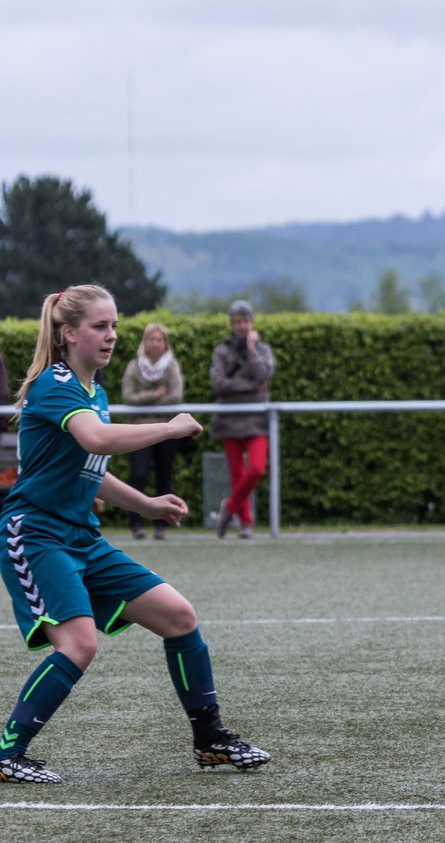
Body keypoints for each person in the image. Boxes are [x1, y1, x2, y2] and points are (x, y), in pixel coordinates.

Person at [0, 285, 269, 784]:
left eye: (115, 326)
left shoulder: (93, 392)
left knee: (179, 617)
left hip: (80, 536)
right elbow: (98, 440)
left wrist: (145, 504)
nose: (111, 336)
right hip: (34, 535)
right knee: (79, 644)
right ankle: (6, 751)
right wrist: (168, 427)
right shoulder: (53, 384)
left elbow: (90, 466)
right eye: (100, 327)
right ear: (68, 333)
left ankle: (209, 739)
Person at [209, 300, 274, 539]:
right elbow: (218, 384)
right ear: (231, 324)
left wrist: (251, 349)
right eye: (237, 321)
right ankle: (246, 523)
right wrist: (250, 387)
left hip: (256, 419)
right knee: (236, 473)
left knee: (256, 469)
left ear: (252, 323)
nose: (242, 325)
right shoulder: (222, 351)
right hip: (229, 419)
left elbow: (264, 374)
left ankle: (230, 507)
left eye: (246, 320)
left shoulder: (262, 350)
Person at [122, 323, 185, 540]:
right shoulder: (134, 366)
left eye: (159, 340)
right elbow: (128, 397)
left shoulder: (172, 366)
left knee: (164, 477)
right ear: (145, 342)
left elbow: (176, 396)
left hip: (167, 431)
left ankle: (161, 524)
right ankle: (136, 523)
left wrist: (145, 399)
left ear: (165, 343)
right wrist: (156, 395)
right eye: (151, 339)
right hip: (139, 431)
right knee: (138, 475)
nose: (155, 343)